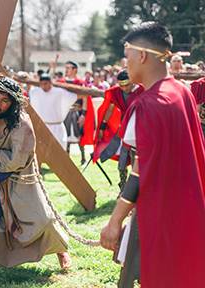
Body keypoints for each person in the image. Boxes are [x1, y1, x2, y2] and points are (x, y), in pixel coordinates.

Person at [100, 22, 205, 288]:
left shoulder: (147, 105)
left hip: (163, 211)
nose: (127, 63)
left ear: (142, 55)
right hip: (190, 205)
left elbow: (139, 171)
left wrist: (114, 222)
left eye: (127, 55)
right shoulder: (182, 91)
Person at [0, 77, 71, 271]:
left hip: (19, 178)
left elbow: (17, 160)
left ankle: (60, 250)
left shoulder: (21, 124)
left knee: (40, 218)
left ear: (12, 104)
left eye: (5, 101)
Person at [94, 70, 144, 191]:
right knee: (121, 164)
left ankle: (135, 191)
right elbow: (110, 109)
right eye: (121, 86)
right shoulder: (116, 92)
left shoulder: (142, 91)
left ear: (132, 81)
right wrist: (102, 127)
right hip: (124, 131)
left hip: (138, 132)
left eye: (126, 85)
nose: (124, 88)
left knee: (135, 164)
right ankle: (122, 188)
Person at [29, 73, 77, 150]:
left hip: (57, 128)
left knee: (59, 151)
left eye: (45, 84)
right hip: (43, 127)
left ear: (50, 83)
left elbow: (73, 96)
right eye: (41, 84)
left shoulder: (59, 92)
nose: (43, 86)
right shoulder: (35, 92)